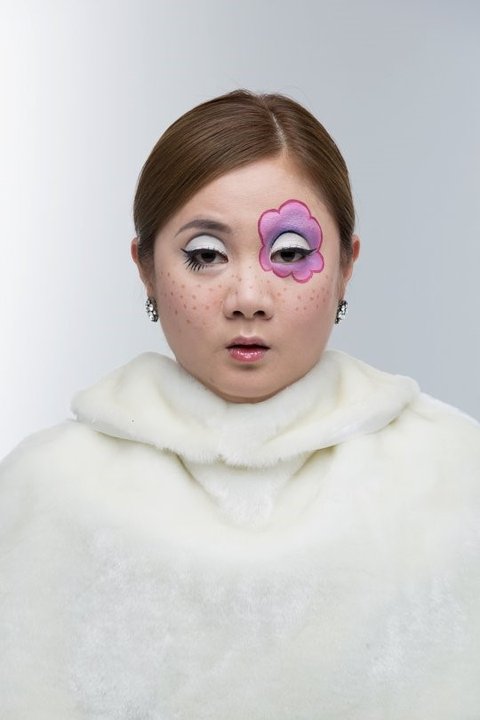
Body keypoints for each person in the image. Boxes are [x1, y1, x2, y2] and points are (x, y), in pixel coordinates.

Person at [1, 90, 479, 720]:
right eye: (205, 255)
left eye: (290, 253)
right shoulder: (43, 491)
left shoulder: (454, 474)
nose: (248, 298)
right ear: (145, 268)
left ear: (346, 265)